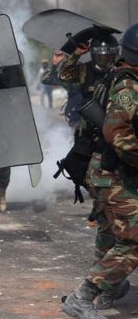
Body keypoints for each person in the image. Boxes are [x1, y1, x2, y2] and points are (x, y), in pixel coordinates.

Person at [62, 24, 138, 319]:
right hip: (112, 172)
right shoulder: (128, 86)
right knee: (133, 238)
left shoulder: (120, 75)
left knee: (110, 231)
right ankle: (83, 297)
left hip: (106, 170)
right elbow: (117, 133)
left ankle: (110, 287)